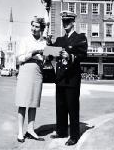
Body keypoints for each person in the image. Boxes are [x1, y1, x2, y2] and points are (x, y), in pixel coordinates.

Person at [48, 10, 88, 146]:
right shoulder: (59, 40)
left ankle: (74, 135)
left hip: (72, 78)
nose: (65, 23)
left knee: (72, 107)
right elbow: (49, 54)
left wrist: (70, 56)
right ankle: (61, 131)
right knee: (60, 106)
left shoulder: (80, 38)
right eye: (64, 21)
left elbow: (83, 55)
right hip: (60, 78)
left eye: (68, 21)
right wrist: (48, 44)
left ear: (73, 22)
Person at [15, 16, 46, 143]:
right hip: (25, 71)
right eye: (32, 26)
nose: (33, 28)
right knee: (22, 103)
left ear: (41, 29)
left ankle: (31, 129)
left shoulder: (44, 42)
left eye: (36, 26)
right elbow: (19, 58)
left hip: (38, 73)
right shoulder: (24, 40)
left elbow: (48, 58)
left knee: (33, 102)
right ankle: (20, 132)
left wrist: (45, 57)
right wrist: (33, 53)